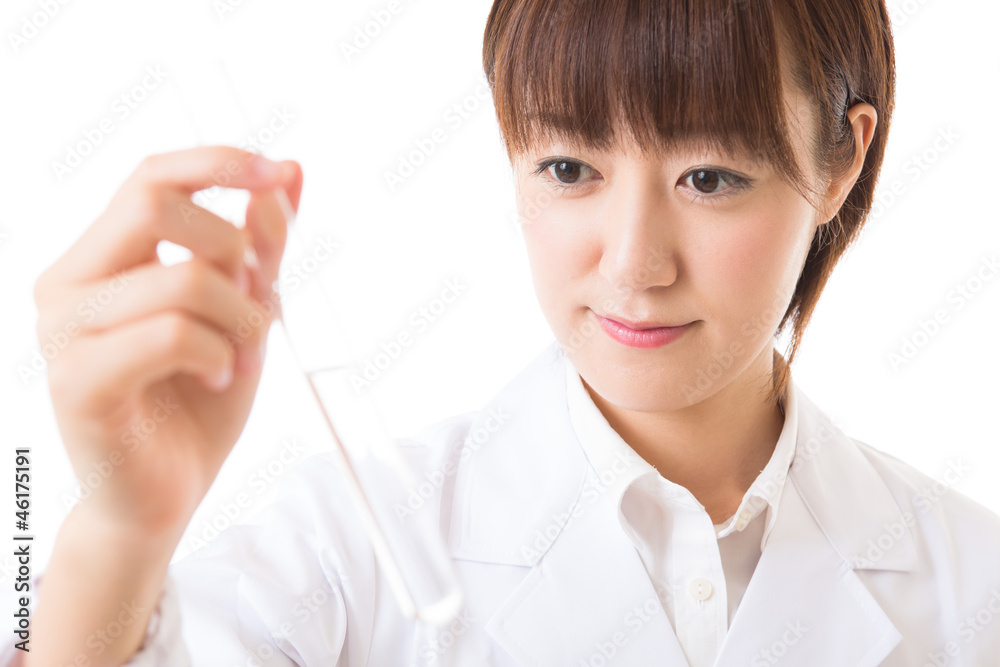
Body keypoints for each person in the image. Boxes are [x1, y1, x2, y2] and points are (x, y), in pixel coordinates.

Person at [10, 0, 1000, 665]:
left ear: (839, 161)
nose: (632, 264)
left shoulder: (973, 585)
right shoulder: (347, 552)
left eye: (708, 177)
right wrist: (117, 534)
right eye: (570, 168)